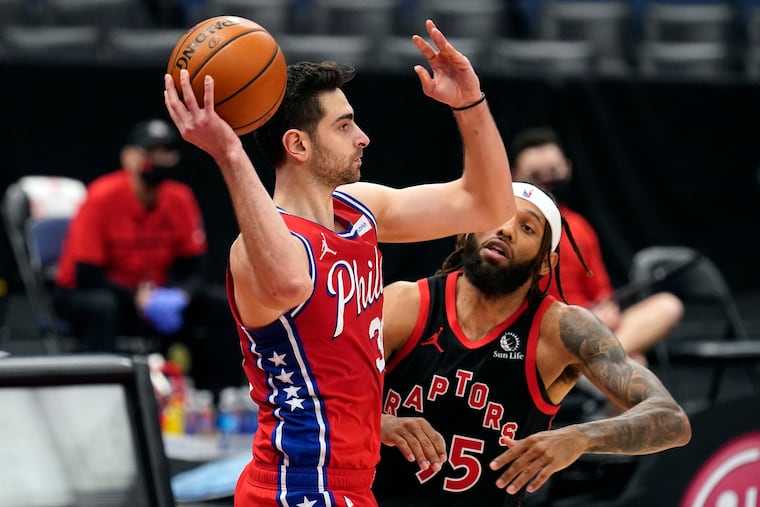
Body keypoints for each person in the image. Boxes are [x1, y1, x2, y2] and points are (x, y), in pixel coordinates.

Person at [163, 19, 515, 507]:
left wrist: (469, 104)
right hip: (297, 487)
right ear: (298, 145)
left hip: (348, 482)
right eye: (344, 125)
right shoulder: (261, 247)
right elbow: (290, 283)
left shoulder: (359, 210)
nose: (363, 137)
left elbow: (489, 205)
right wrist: (228, 150)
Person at [373, 182, 692, 506]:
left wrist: (581, 437)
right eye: (496, 215)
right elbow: (320, 393)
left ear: (545, 264)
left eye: (526, 227)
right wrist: (378, 422)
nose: (506, 229)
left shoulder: (562, 329)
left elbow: (672, 419)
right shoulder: (406, 304)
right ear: (467, 231)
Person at [53, 118, 243, 394]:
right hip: (100, 292)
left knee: (219, 304)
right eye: (152, 152)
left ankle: (218, 397)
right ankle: (100, 393)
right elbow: (86, 273)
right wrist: (137, 298)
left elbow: (195, 267)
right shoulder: (102, 196)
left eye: (167, 151)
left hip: (158, 295)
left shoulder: (179, 198)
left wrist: (182, 295)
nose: (160, 159)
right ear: (129, 156)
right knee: (102, 306)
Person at [509, 126, 684, 366]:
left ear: (568, 168)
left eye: (553, 172)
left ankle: (588, 363)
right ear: (514, 175)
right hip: (540, 333)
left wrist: (607, 310)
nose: (547, 181)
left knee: (666, 305)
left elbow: (601, 292)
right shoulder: (508, 226)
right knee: (634, 364)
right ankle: (595, 363)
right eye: (536, 174)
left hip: (589, 329)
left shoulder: (580, 227)